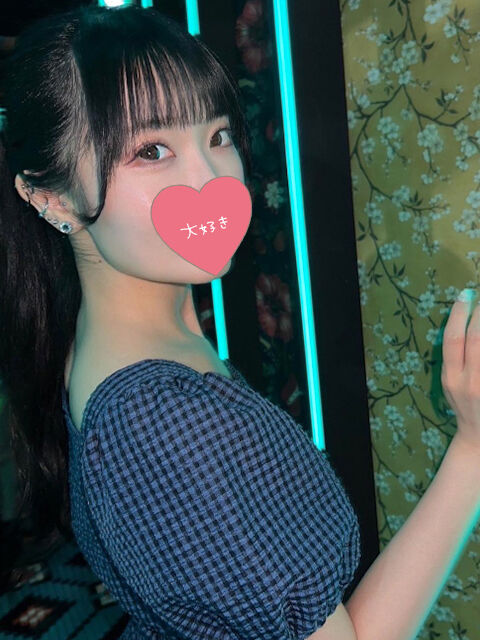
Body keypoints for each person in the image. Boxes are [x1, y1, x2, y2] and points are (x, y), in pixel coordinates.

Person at [0, 4, 479, 639]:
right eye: (151, 150)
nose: (211, 180)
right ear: (50, 196)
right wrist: (472, 448)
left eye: (218, 135)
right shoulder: (164, 420)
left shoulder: (116, 332)